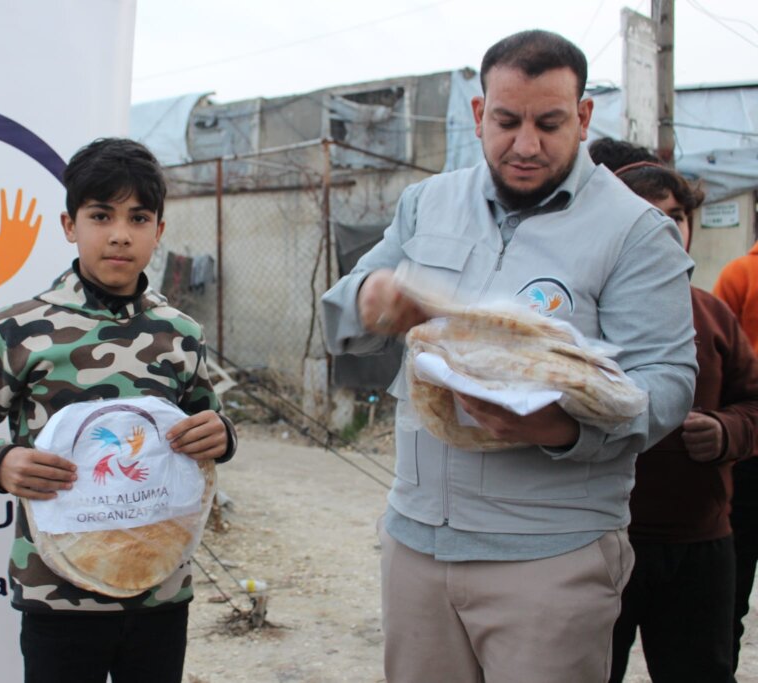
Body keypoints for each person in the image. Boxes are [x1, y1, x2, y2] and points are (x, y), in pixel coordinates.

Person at [321, 30, 697, 682]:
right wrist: (370, 297)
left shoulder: (634, 231)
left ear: (583, 117)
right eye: (506, 122)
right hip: (416, 541)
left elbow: (667, 381)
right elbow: (340, 314)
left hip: (550, 558)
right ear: (478, 114)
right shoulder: (427, 203)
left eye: (549, 124)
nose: (526, 145)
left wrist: (563, 428)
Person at [0, 137, 237, 683]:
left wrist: (221, 434)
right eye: (101, 215)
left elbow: (207, 422)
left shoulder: (181, 333)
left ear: (159, 231)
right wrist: (0, 461)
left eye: (138, 218)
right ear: (69, 225)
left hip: (160, 588)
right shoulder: (19, 329)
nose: (120, 233)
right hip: (57, 594)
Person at [591, 143, 758, 683]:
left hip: (699, 543)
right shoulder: (585, 312)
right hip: (600, 542)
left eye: (677, 216)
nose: (666, 229)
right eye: (647, 216)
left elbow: (753, 401)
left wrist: (727, 431)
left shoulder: (712, 313)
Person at [713, 226, 758, 672]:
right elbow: (720, 362)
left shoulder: (738, 272)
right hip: (748, 456)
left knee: (734, 585)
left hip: (747, 453)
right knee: (733, 583)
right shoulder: (742, 273)